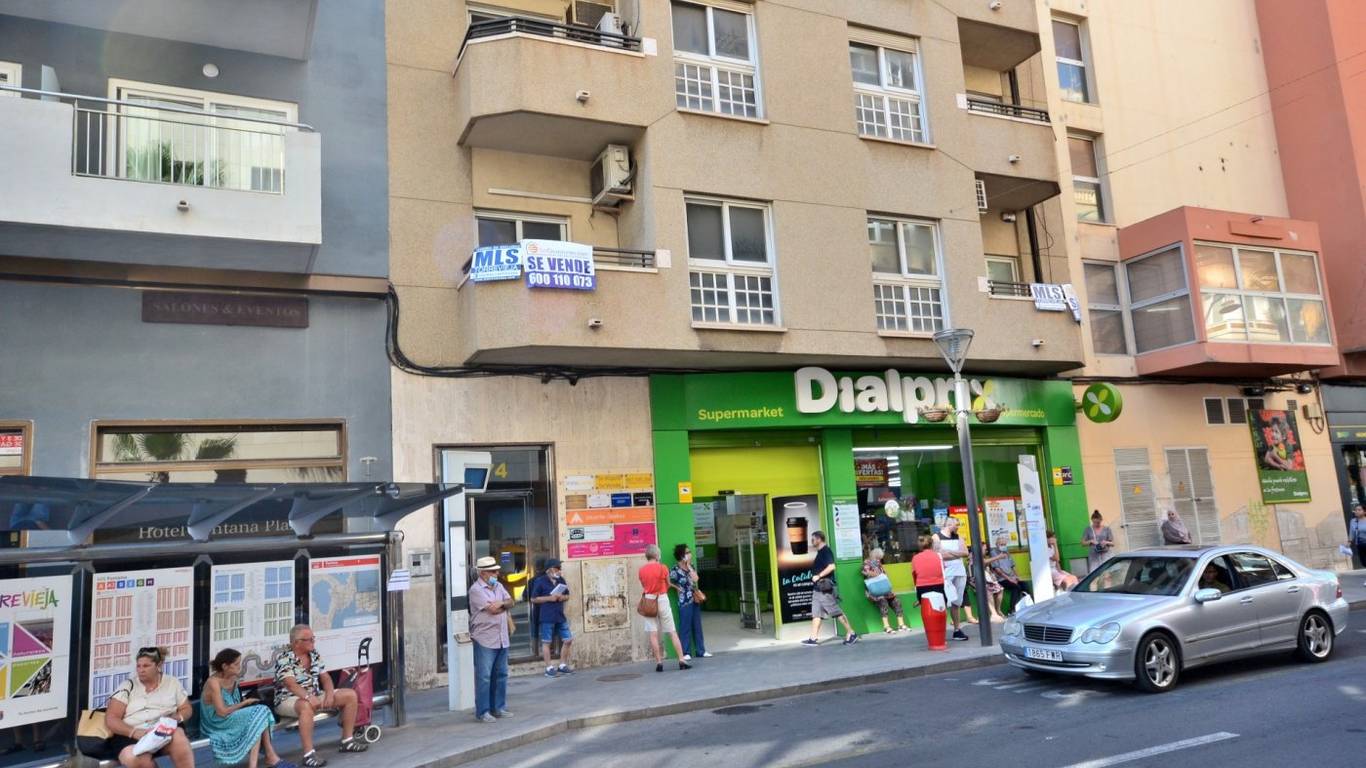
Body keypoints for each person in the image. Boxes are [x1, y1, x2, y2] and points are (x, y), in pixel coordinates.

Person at [274, 625, 365, 766]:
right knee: (305, 706)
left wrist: (329, 694)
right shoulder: (284, 657)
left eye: (313, 638)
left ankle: (347, 741)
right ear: (296, 642)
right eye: (309, 639)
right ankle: (309, 754)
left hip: (314, 694)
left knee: (350, 695)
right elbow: (291, 685)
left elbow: (326, 678)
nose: (313, 642)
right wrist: (308, 697)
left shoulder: (314, 654)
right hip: (288, 698)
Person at [103, 646, 194, 768]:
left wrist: (176, 718)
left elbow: (186, 708)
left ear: (158, 665)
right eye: (138, 666)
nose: (141, 670)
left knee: (179, 738)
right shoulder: (127, 686)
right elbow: (111, 718)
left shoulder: (172, 683)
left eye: (146, 666)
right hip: (132, 733)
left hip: (162, 731)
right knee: (133, 758)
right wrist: (134, 732)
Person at [202, 648, 293, 768]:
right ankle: (270, 757)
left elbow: (235, 701)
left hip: (232, 715)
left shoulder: (233, 678)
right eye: (236, 664)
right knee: (260, 713)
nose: (239, 667)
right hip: (216, 721)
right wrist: (245, 703)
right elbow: (222, 712)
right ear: (225, 666)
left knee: (259, 715)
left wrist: (246, 702)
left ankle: (262, 761)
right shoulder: (213, 682)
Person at [468, 556, 516, 721]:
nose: (496, 574)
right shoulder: (476, 590)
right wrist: (503, 605)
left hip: (502, 637)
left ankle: (498, 708)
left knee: (501, 674)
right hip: (485, 639)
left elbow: (511, 601)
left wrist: (501, 604)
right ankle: (483, 711)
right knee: (484, 676)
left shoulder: (499, 586)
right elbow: (492, 610)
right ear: (483, 573)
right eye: (492, 571)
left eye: (496, 571)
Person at [802, 531, 858, 646]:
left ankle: (851, 633)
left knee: (836, 612)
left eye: (813, 539)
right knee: (816, 614)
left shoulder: (826, 551)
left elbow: (832, 566)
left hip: (824, 589)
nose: (812, 542)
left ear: (819, 539)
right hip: (817, 589)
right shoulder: (820, 552)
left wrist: (819, 576)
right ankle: (813, 638)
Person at [639, 545, 691, 672]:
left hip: (649, 600)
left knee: (653, 634)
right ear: (657, 555)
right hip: (662, 598)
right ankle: (681, 660)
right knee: (672, 631)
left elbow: (644, 586)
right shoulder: (663, 568)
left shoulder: (641, 570)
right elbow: (668, 584)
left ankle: (659, 663)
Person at [528, 558, 574, 678]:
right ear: (550, 570)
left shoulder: (561, 580)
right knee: (547, 642)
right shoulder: (540, 581)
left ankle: (562, 665)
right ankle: (549, 667)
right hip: (546, 616)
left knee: (568, 639)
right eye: (557, 568)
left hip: (559, 615)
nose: (559, 570)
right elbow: (533, 599)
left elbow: (567, 595)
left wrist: (561, 597)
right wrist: (549, 598)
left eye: (560, 568)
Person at [671, 544, 711, 661]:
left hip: (694, 599)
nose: (690, 554)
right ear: (681, 555)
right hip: (684, 601)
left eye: (689, 552)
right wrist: (677, 588)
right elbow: (668, 582)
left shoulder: (691, 566)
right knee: (685, 627)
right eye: (687, 552)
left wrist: (689, 566)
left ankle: (701, 651)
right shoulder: (675, 570)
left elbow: (696, 579)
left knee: (697, 626)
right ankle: (686, 652)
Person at [933, 517, 971, 641]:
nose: (958, 527)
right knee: (943, 601)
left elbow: (965, 552)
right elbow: (939, 555)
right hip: (945, 574)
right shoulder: (936, 537)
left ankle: (957, 630)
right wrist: (956, 553)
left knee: (956, 602)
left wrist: (949, 552)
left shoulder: (958, 537)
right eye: (956, 525)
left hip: (960, 572)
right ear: (949, 524)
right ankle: (939, 631)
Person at [862, 547, 909, 633]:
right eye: (877, 558)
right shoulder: (866, 563)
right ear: (873, 556)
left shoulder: (879, 563)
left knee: (896, 601)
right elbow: (866, 573)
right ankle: (886, 626)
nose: (879, 560)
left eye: (880, 558)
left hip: (884, 589)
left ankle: (901, 624)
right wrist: (878, 574)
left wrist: (882, 574)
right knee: (883, 601)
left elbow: (884, 574)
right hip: (874, 591)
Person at [985, 535, 1032, 616]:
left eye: (1004, 544)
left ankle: (1029, 607)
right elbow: (997, 570)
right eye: (1001, 544)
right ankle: (1012, 610)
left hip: (1011, 577)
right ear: (997, 545)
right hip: (1002, 579)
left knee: (1025, 585)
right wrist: (1009, 579)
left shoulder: (1007, 552)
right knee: (1016, 587)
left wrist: (1017, 576)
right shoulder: (994, 553)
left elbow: (1013, 566)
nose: (1003, 546)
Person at [1345, 503, 1366, 571]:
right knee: (1364, 562)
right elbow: (1352, 532)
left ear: (1364, 512)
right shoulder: (1353, 521)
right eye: (1356, 510)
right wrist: (1349, 542)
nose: (1357, 511)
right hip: (1360, 544)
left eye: (1359, 510)